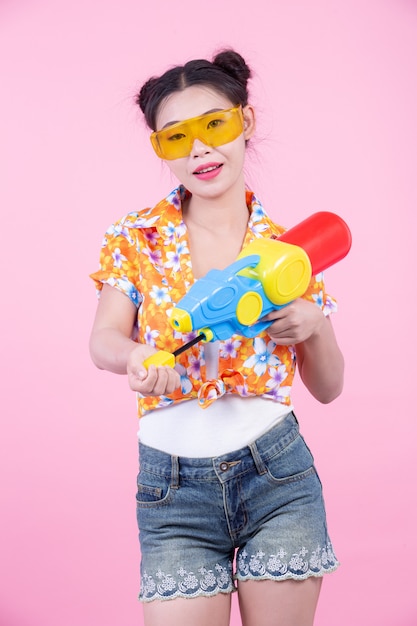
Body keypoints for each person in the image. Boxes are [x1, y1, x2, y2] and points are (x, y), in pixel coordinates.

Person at [89, 48, 344, 626]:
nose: (199, 149)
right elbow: (103, 338)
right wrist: (136, 355)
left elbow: (328, 387)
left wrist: (314, 324)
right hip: (172, 490)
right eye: (175, 137)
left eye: (214, 125)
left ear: (244, 122)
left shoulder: (290, 250)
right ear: (160, 148)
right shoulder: (137, 237)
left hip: (277, 476)